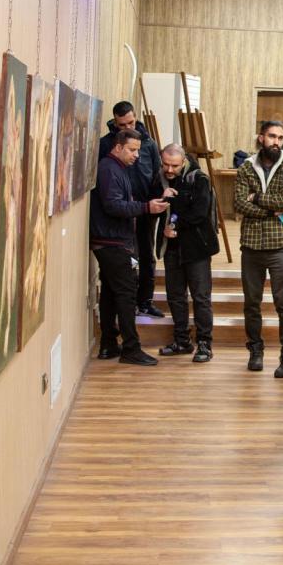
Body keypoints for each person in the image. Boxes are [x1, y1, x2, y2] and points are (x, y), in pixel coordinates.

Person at [90, 129, 170, 366]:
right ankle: (131, 349)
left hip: (111, 240)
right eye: (132, 150)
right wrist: (146, 208)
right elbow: (113, 206)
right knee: (126, 295)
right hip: (112, 242)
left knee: (110, 293)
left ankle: (108, 344)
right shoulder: (109, 169)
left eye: (138, 150)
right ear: (118, 147)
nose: (137, 155)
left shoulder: (117, 168)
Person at [233, 121, 283, 377]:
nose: (276, 141)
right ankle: (255, 350)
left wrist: (257, 198)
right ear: (261, 137)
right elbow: (239, 203)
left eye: (280, 137)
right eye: (272, 136)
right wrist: (269, 211)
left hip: (281, 245)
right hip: (251, 245)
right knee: (251, 303)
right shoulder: (246, 167)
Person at [98, 101, 166, 318]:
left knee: (146, 255)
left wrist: (156, 202)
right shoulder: (106, 144)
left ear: (136, 118)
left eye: (131, 122)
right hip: (120, 212)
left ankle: (145, 300)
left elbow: (156, 175)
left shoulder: (149, 144)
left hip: (145, 209)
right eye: (122, 124)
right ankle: (127, 304)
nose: (127, 127)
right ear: (115, 122)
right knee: (127, 259)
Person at [157, 144, 219, 363]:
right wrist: (162, 197)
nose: (169, 169)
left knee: (201, 297)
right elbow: (150, 207)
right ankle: (182, 340)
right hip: (172, 248)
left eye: (174, 165)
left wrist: (174, 207)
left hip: (196, 248)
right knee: (175, 296)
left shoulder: (199, 179)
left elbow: (199, 213)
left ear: (183, 162)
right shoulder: (159, 179)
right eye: (165, 164)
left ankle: (204, 344)